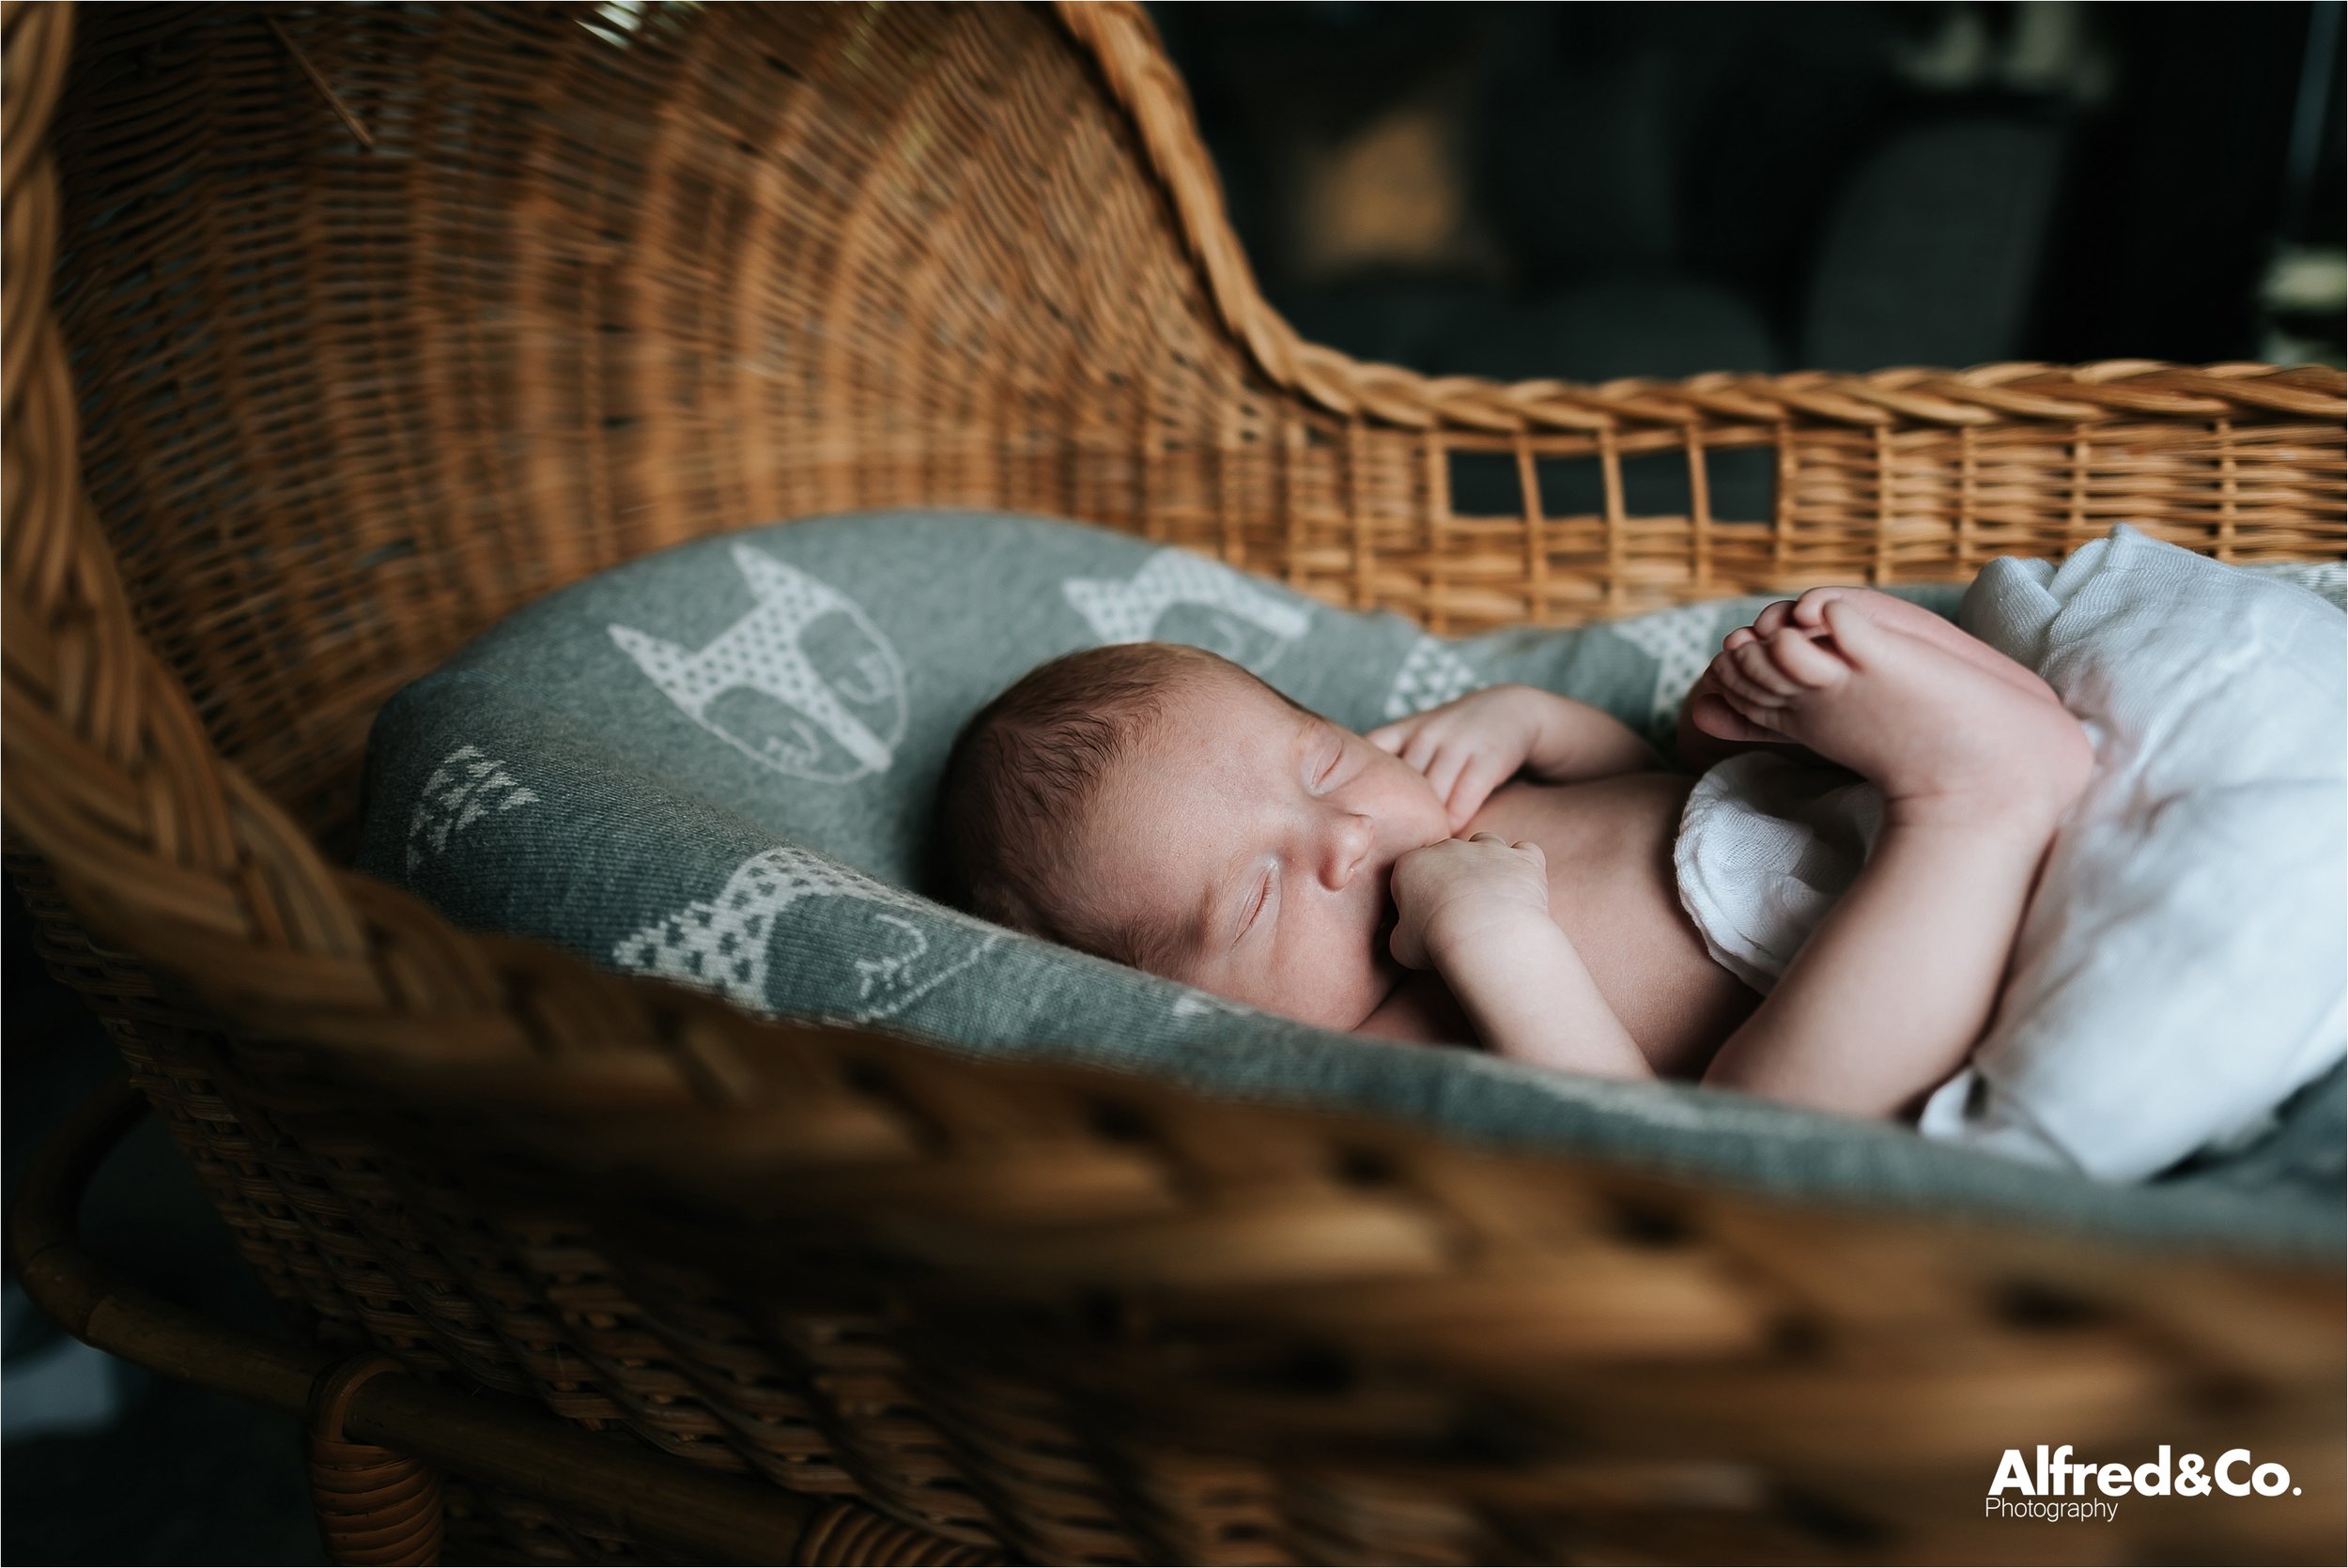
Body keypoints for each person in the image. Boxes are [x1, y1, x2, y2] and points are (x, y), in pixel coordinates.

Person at [933, 587, 2093, 1122]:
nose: (1342, 835)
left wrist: (1533, 722)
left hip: (1806, 824)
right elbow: (1618, 1132)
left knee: (1766, 690)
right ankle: (1976, 793)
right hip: (1880, 996)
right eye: (1256, 895)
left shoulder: (1437, 808)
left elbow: (1636, 795)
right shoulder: (1375, 1050)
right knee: (1760, 1128)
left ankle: (1944, 724)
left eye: (1325, 763)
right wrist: (1495, 941)